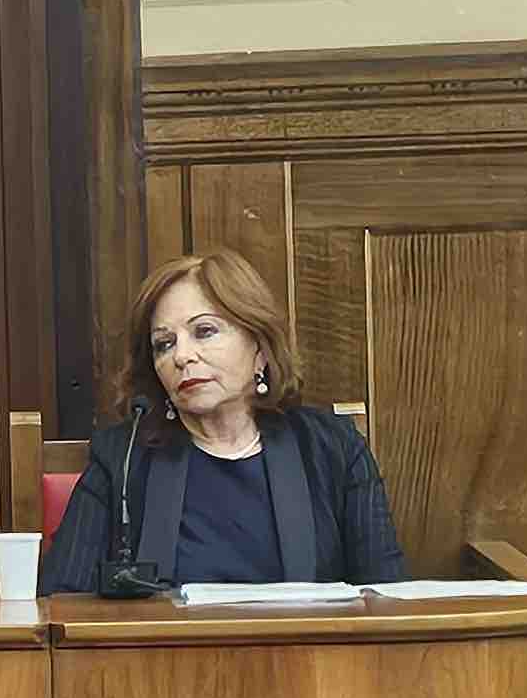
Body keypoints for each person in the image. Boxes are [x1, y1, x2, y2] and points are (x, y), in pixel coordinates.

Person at [38, 248, 405, 595]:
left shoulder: (333, 449)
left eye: (204, 331)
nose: (181, 356)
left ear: (259, 348)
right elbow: (61, 602)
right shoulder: (123, 455)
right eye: (164, 344)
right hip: (166, 645)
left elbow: (386, 599)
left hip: (305, 644)